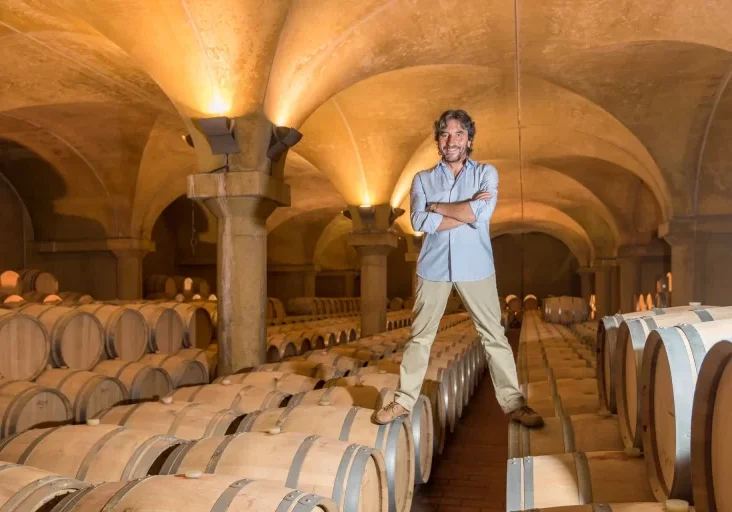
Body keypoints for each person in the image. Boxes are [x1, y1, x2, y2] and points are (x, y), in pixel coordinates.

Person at [373, 109, 543, 428]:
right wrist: (461, 212)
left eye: (458, 134)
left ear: (469, 139)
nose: (451, 141)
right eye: (445, 134)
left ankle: (515, 404)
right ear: (438, 140)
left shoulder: (485, 174)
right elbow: (420, 221)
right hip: (432, 268)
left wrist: (438, 208)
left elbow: (481, 213)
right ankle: (403, 401)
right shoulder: (422, 179)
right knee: (420, 336)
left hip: (476, 266)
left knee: (494, 336)